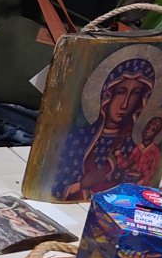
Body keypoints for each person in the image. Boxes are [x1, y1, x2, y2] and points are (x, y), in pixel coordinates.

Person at [53, 56, 155, 200]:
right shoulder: (79, 139)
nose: (125, 104)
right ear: (106, 95)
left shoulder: (132, 143)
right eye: (120, 92)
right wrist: (81, 184)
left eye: (136, 93)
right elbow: (53, 188)